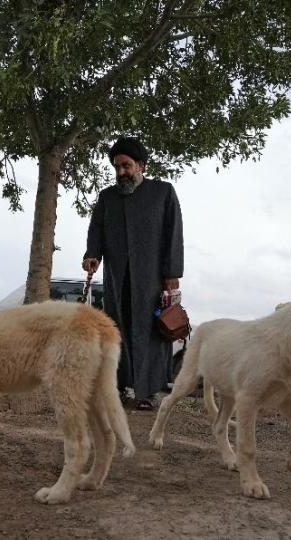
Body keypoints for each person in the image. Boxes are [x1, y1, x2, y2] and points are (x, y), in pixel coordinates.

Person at [83, 137, 184, 410]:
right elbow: (96, 230)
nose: (121, 172)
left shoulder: (163, 192)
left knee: (150, 332)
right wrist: (92, 255)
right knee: (117, 330)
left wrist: (172, 273)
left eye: (126, 166)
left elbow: (173, 233)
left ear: (141, 165)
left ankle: (149, 393)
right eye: (117, 167)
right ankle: (121, 388)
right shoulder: (107, 197)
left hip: (152, 280)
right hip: (118, 279)